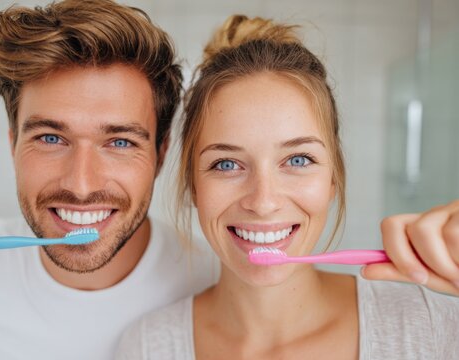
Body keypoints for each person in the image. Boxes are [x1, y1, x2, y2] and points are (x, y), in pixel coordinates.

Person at [116, 15, 459, 359]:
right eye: (227, 164)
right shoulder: (147, 346)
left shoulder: (435, 329)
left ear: (333, 179)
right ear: (193, 185)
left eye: (297, 160)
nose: (263, 202)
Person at [0, 1, 216, 359]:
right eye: (50, 138)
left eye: (120, 142)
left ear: (161, 154)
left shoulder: (217, 284)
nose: (81, 185)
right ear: (13, 144)